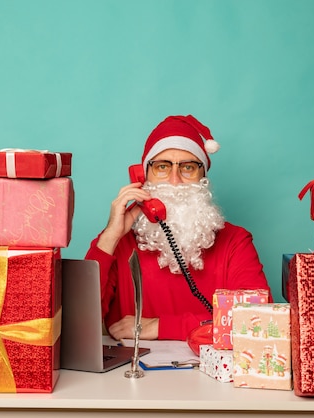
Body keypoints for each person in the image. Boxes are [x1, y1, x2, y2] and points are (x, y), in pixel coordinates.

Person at [85, 114, 272, 341]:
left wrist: (161, 327)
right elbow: (80, 323)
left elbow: (257, 321)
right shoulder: (118, 242)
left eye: (188, 168)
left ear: (203, 176)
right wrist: (110, 236)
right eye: (162, 167)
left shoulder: (235, 242)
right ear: (143, 176)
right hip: (128, 375)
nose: (174, 180)